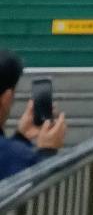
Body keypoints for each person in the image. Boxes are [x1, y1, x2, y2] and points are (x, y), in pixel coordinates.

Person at [0, 51, 66, 183]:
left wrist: (21, 137)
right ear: (7, 97)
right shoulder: (18, 156)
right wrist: (47, 152)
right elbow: (42, 191)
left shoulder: (13, 154)